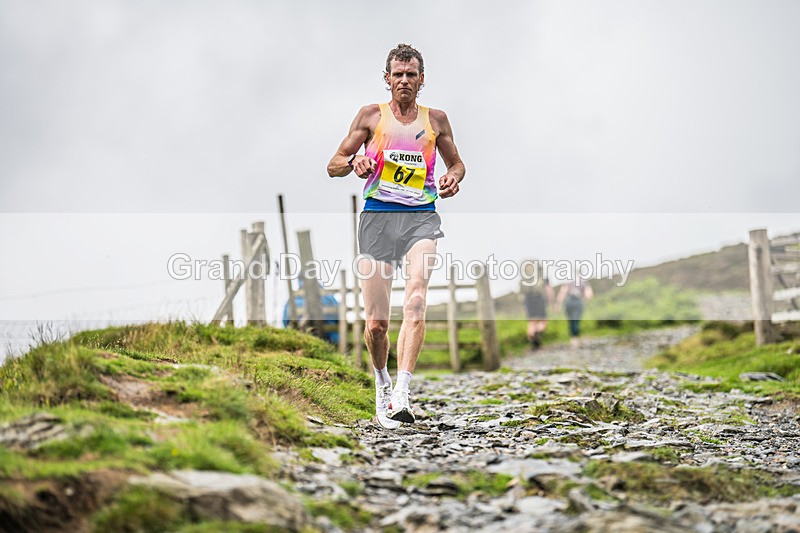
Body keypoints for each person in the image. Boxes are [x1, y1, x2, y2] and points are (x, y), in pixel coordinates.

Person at [327, 44, 465, 429]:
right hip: (377, 219)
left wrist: (452, 177)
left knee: (417, 300)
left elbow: (457, 162)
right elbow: (333, 164)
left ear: (422, 79)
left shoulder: (436, 120)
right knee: (376, 325)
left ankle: (402, 391)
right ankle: (382, 381)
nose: (404, 80)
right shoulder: (371, 116)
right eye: (398, 74)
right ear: (387, 79)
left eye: (411, 74)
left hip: (421, 217)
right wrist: (356, 162)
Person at [519, 259, 554, 350]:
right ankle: (536, 336)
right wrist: (551, 302)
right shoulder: (543, 277)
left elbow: (521, 294)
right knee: (543, 322)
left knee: (531, 322)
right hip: (539, 299)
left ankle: (533, 341)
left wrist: (523, 306)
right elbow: (548, 290)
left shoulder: (525, 278)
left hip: (528, 300)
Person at [557, 278, 594, 348]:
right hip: (578, 302)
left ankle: (573, 339)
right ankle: (575, 340)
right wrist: (585, 300)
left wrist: (558, 304)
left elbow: (562, 293)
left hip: (568, 302)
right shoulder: (584, 282)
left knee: (571, 321)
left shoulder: (568, 281)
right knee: (576, 321)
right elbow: (589, 295)